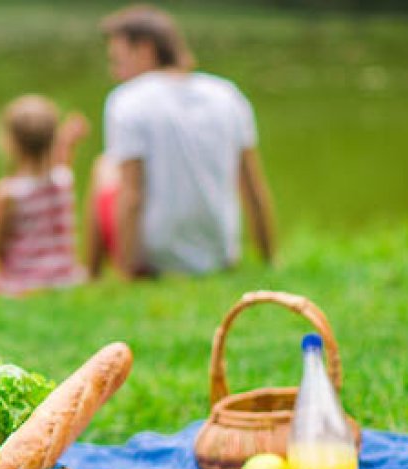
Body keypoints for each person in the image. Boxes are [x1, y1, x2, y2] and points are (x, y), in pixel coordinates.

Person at [89, 4, 277, 279]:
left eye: (119, 60)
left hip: (156, 260)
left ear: (144, 50)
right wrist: (270, 258)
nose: (115, 72)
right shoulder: (227, 93)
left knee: (103, 167)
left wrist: (125, 274)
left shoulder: (126, 100)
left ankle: (92, 274)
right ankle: (260, 254)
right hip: (221, 255)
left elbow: (131, 197)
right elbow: (253, 187)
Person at [0, 95, 89, 295]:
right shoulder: (64, 180)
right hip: (65, 278)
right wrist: (68, 142)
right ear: (53, 140)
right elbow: (60, 163)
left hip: (23, 281)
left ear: (9, 142)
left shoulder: (6, 193)